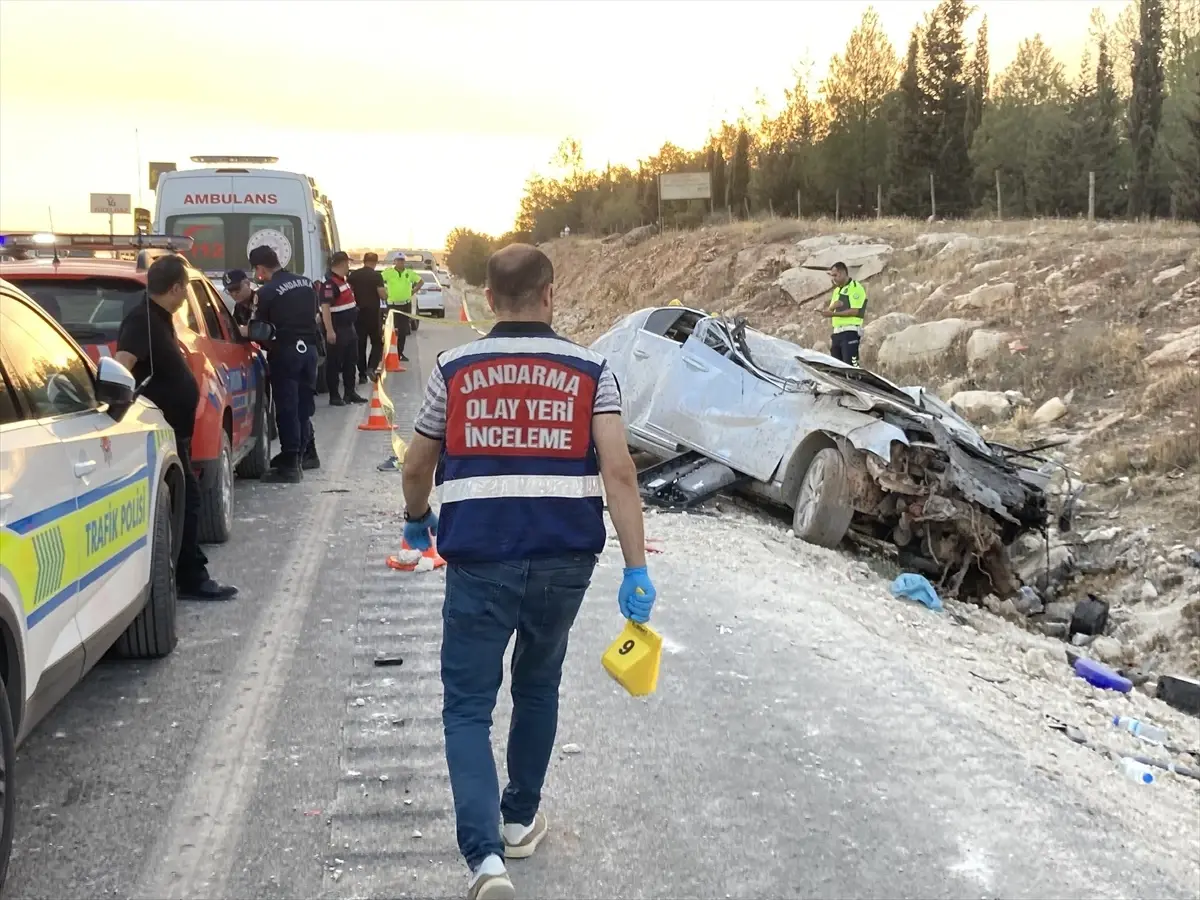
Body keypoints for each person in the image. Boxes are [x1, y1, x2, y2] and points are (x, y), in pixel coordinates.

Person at [400, 243, 656, 900]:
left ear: (488, 299)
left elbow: (416, 463)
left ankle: (485, 860)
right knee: (538, 687)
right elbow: (619, 472)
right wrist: (635, 569)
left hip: (479, 559)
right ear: (550, 295)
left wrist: (416, 518)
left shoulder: (455, 368)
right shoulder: (591, 369)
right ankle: (518, 818)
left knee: (467, 706)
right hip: (564, 560)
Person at [115, 255, 238, 602]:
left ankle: (185, 571)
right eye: (184, 289)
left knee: (185, 501)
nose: (186, 297)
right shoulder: (142, 321)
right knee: (188, 502)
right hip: (158, 433)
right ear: (177, 288)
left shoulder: (158, 318)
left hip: (172, 432)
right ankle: (190, 576)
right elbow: (122, 367)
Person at [250, 244, 321, 481]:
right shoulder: (306, 283)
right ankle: (300, 454)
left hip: (287, 352)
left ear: (260, 269)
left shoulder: (267, 291)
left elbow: (260, 329)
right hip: (309, 350)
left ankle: (290, 463)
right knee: (303, 407)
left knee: (287, 408)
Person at [319, 251, 367, 406]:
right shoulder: (330, 284)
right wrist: (330, 331)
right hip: (338, 329)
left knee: (350, 361)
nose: (349, 266)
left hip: (349, 328)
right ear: (342, 263)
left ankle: (350, 392)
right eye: (347, 263)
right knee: (334, 363)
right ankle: (334, 396)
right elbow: (325, 308)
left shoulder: (342, 281)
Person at [348, 251, 388, 383]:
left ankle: (362, 375)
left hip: (357, 313)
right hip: (372, 313)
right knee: (377, 342)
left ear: (364, 261)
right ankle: (371, 367)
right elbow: (382, 295)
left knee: (360, 344)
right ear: (375, 262)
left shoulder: (354, 275)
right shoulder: (376, 276)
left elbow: (349, 292)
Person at [820, 261, 868, 367]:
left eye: (835, 275)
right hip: (837, 333)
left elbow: (855, 311)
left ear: (842, 273)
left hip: (850, 332)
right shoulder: (837, 291)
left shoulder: (855, 287)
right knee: (837, 369)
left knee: (851, 368)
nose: (833, 279)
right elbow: (832, 309)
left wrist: (832, 315)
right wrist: (831, 308)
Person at [381, 253, 423, 362]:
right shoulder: (388, 273)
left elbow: (420, 281)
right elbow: (378, 281)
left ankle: (399, 353)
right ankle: (387, 353)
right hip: (392, 305)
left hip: (405, 305)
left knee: (403, 331)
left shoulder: (409, 273)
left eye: (402, 260)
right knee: (390, 330)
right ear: (394, 261)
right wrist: (383, 292)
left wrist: (413, 291)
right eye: (398, 260)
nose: (400, 262)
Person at [223, 268, 258, 335]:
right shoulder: (238, 307)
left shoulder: (261, 299)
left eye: (237, 289)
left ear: (247, 283)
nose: (234, 294)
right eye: (230, 291)